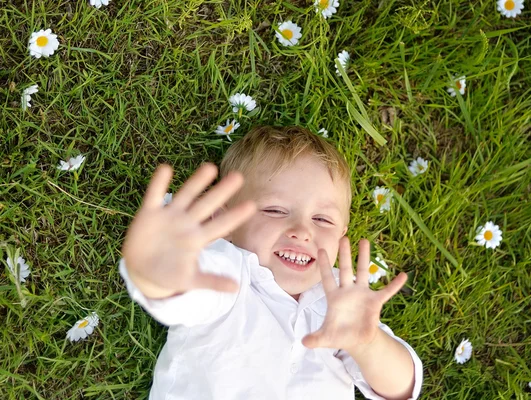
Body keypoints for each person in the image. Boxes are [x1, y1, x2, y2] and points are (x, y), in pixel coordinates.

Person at [119, 126, 423, 399]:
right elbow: (180, 292)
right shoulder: (228, 277)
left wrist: (368, 343)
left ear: (343, 233)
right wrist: (159, 268)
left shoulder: (341, 306)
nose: (303, 232)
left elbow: (401, 388)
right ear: (222, 219)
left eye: (322, 219)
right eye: (275, 210)